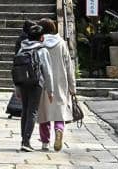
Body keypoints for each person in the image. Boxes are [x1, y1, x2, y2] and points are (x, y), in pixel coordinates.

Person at [12, 21, 53, 153]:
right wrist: (50, 90)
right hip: (37, 84)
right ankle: (26, 141)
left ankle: (24, 139)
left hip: (23, 83)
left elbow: (17, 69)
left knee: (25, 110)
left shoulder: (21, 49)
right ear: (42, 37)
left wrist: (16, 88)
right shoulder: (42, 50)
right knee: (32, 111)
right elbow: (48, 71)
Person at [36, 18, 76, 152]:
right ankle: (59, 130)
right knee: (59, 112)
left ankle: (45, 142)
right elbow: (69, 66)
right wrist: (72, 87)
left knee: (44, 113)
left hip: (43, 83)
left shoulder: (39, 43)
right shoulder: (62, 43)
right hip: (60, 82)